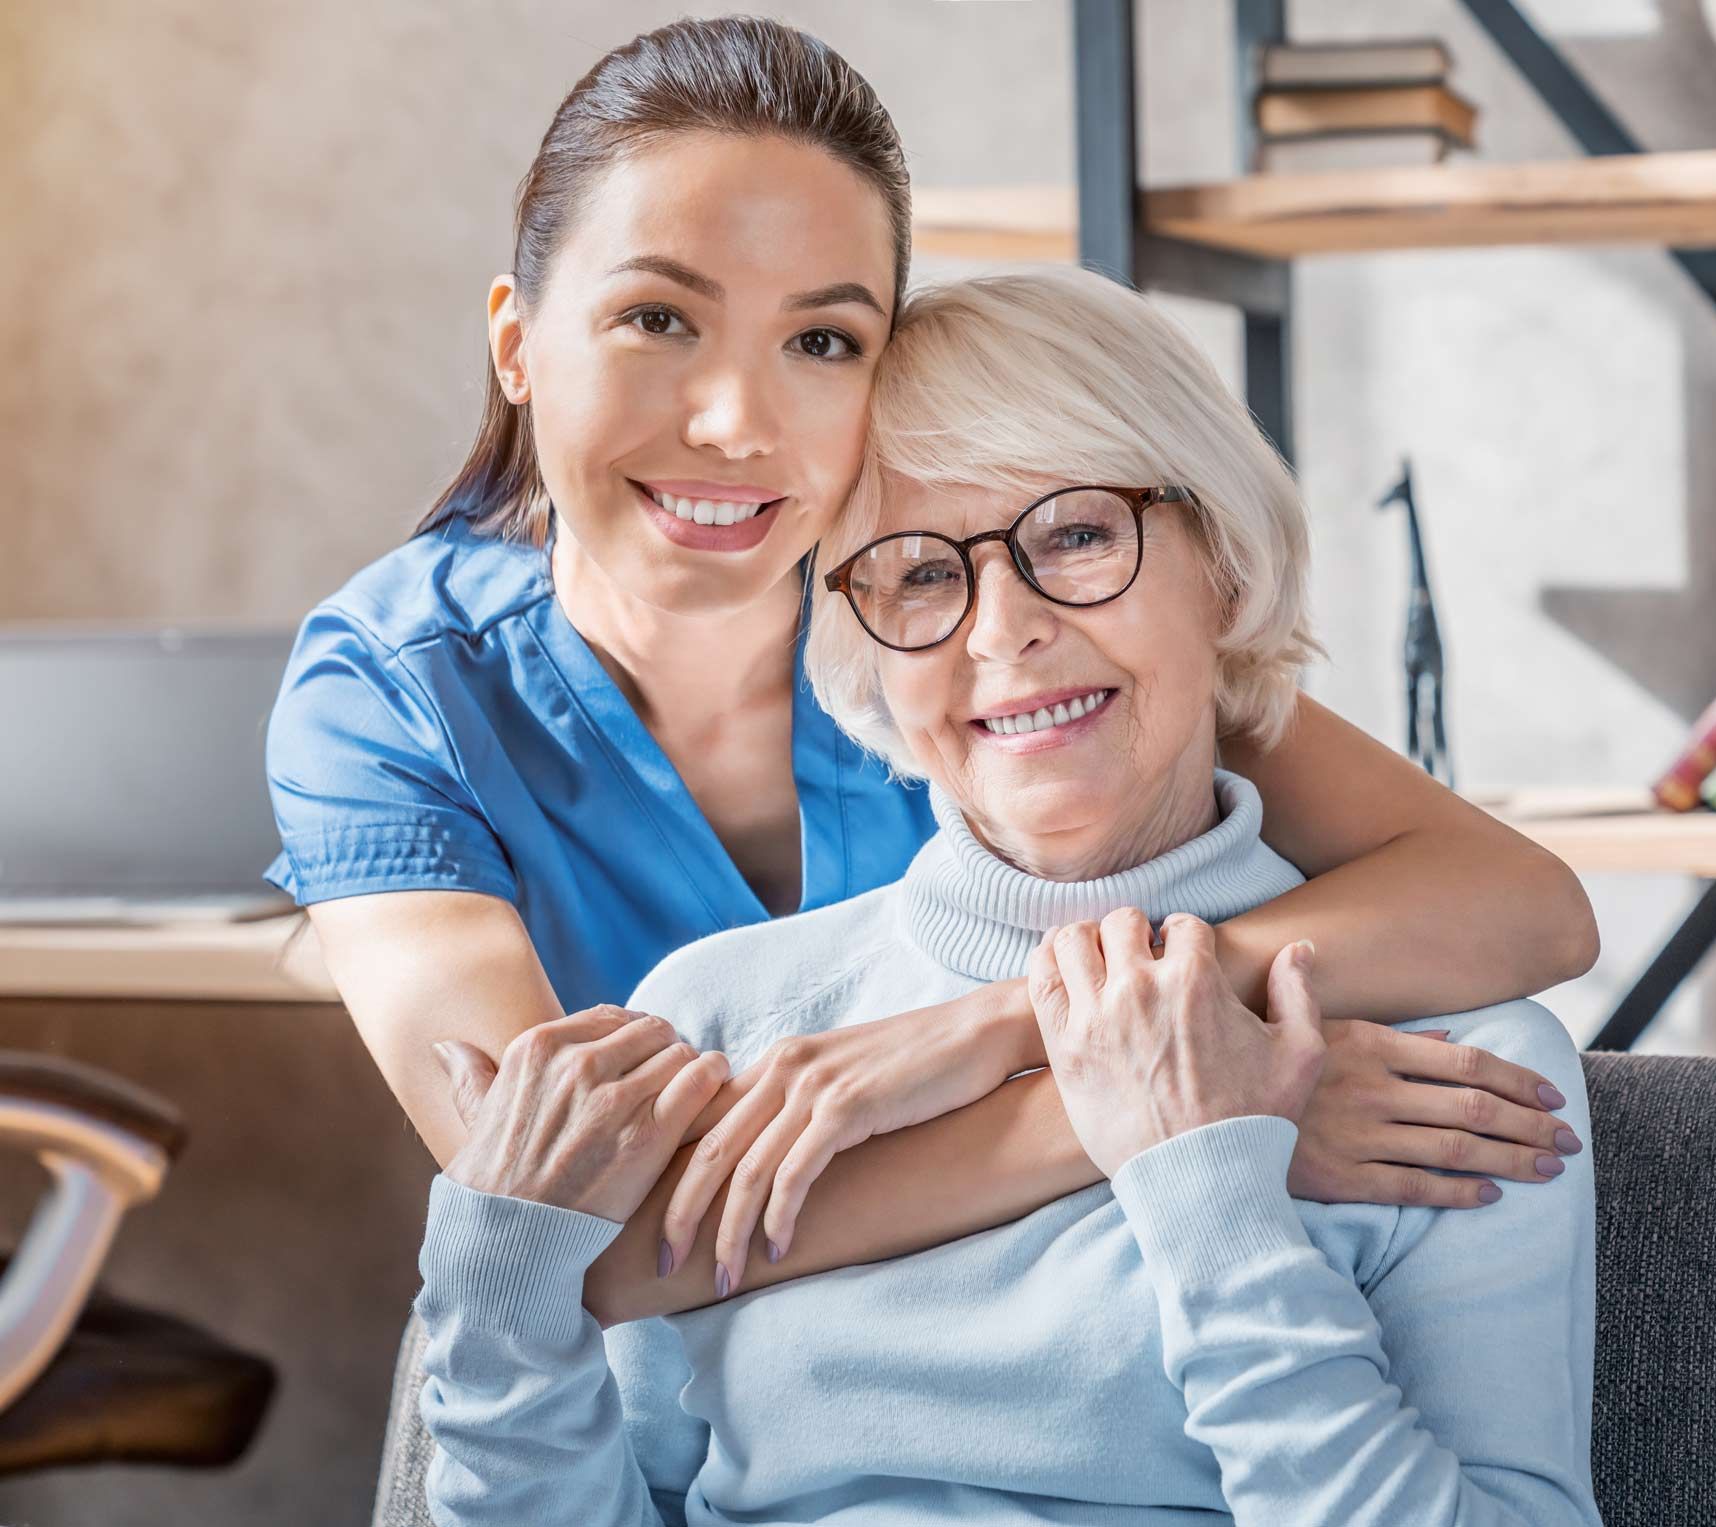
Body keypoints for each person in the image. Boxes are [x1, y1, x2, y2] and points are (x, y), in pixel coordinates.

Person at [265, 17, 1598, 1305]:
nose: (735, 422)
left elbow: (1523, 900)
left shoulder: (959, 627)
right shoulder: (394, 694)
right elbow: (586, 1244)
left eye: (822, 340)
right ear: (516, 341)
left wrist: (1007, 1023)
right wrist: (1169, 1103)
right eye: (658, 319)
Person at [416, 268, 1602, 1526]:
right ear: (858, 636)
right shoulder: (721, 1015)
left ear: (1224, 566)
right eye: (919, 574)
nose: (1003, 628)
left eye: (1080, 534)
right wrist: (493, 1309)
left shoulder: (1460, 1071)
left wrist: (1209, 1196)